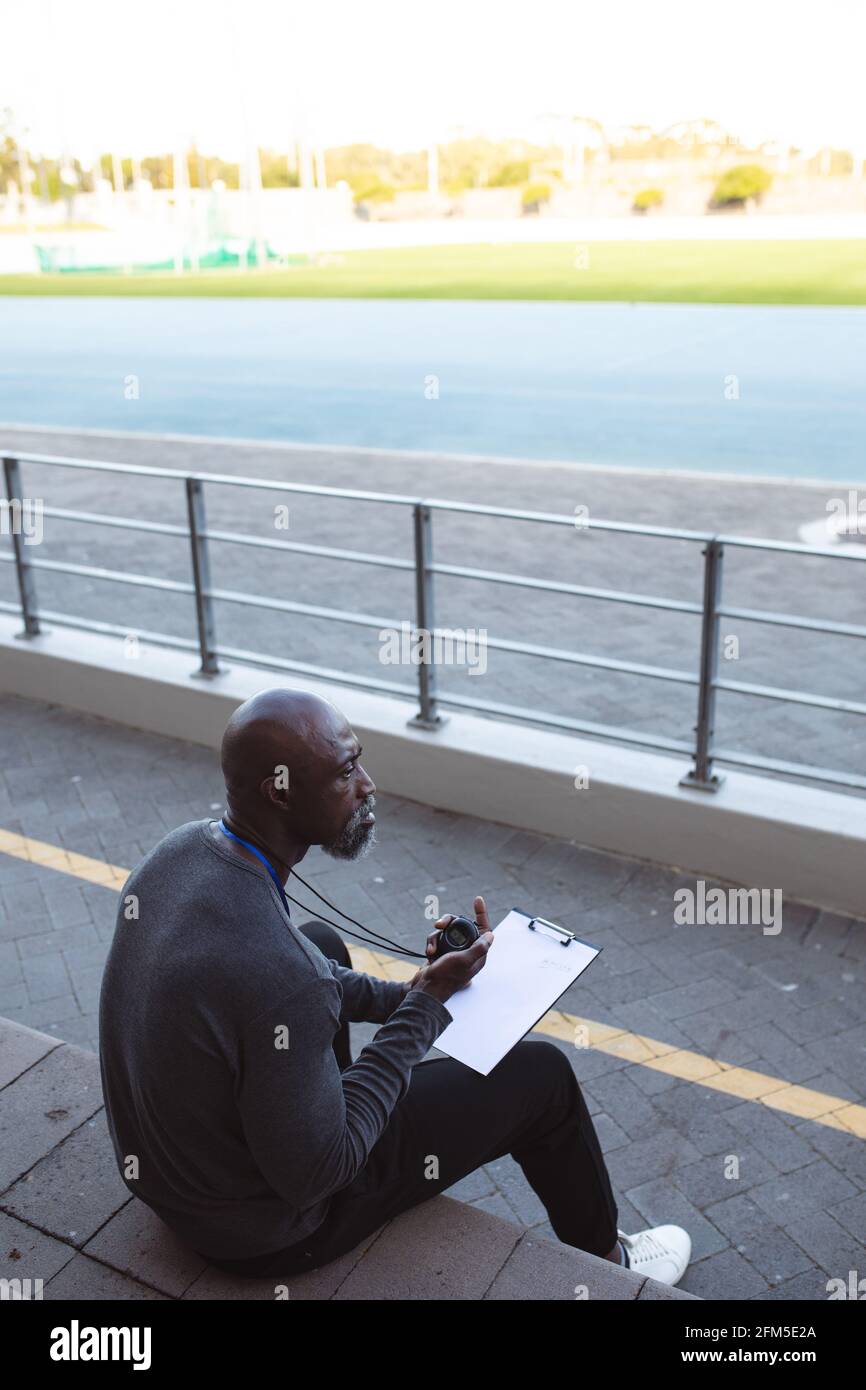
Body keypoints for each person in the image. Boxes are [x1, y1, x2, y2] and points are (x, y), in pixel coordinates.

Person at [98, 687, 691, 1286]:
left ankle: (331, 1090)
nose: (367, 784)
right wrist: (425, 1009)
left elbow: (280, 979)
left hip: (173, 1177)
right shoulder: (283, 980)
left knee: (320, 941)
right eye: (345, 770)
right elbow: (319, 1171)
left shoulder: (179, 853)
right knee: (543, 1077)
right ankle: (614, 1267)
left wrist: (413, 992)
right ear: (279, 790)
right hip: (262, 1231)